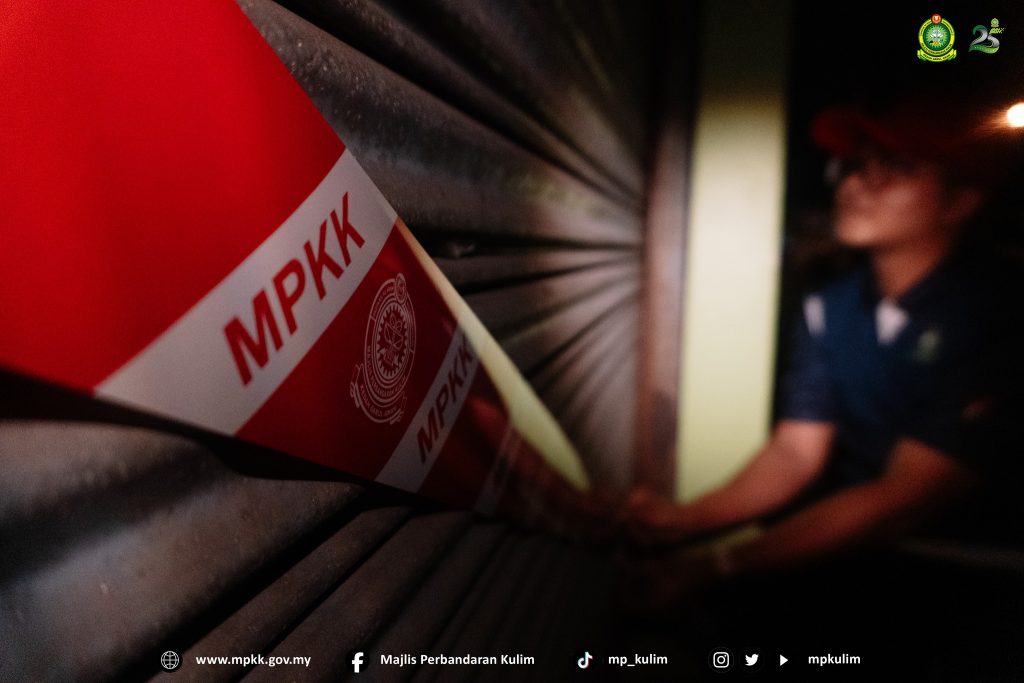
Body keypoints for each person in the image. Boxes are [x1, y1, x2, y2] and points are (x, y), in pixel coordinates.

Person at [622, 101, 1023, 604]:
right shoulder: (831, 306)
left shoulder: (999, 315)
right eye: (855, 165)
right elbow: (796, 452)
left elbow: (904, 499)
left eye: (895, 166)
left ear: (960, 201)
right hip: (859, 561)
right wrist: (684, 519)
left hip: (980, 580)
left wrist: (712, 567)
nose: (854, 185)